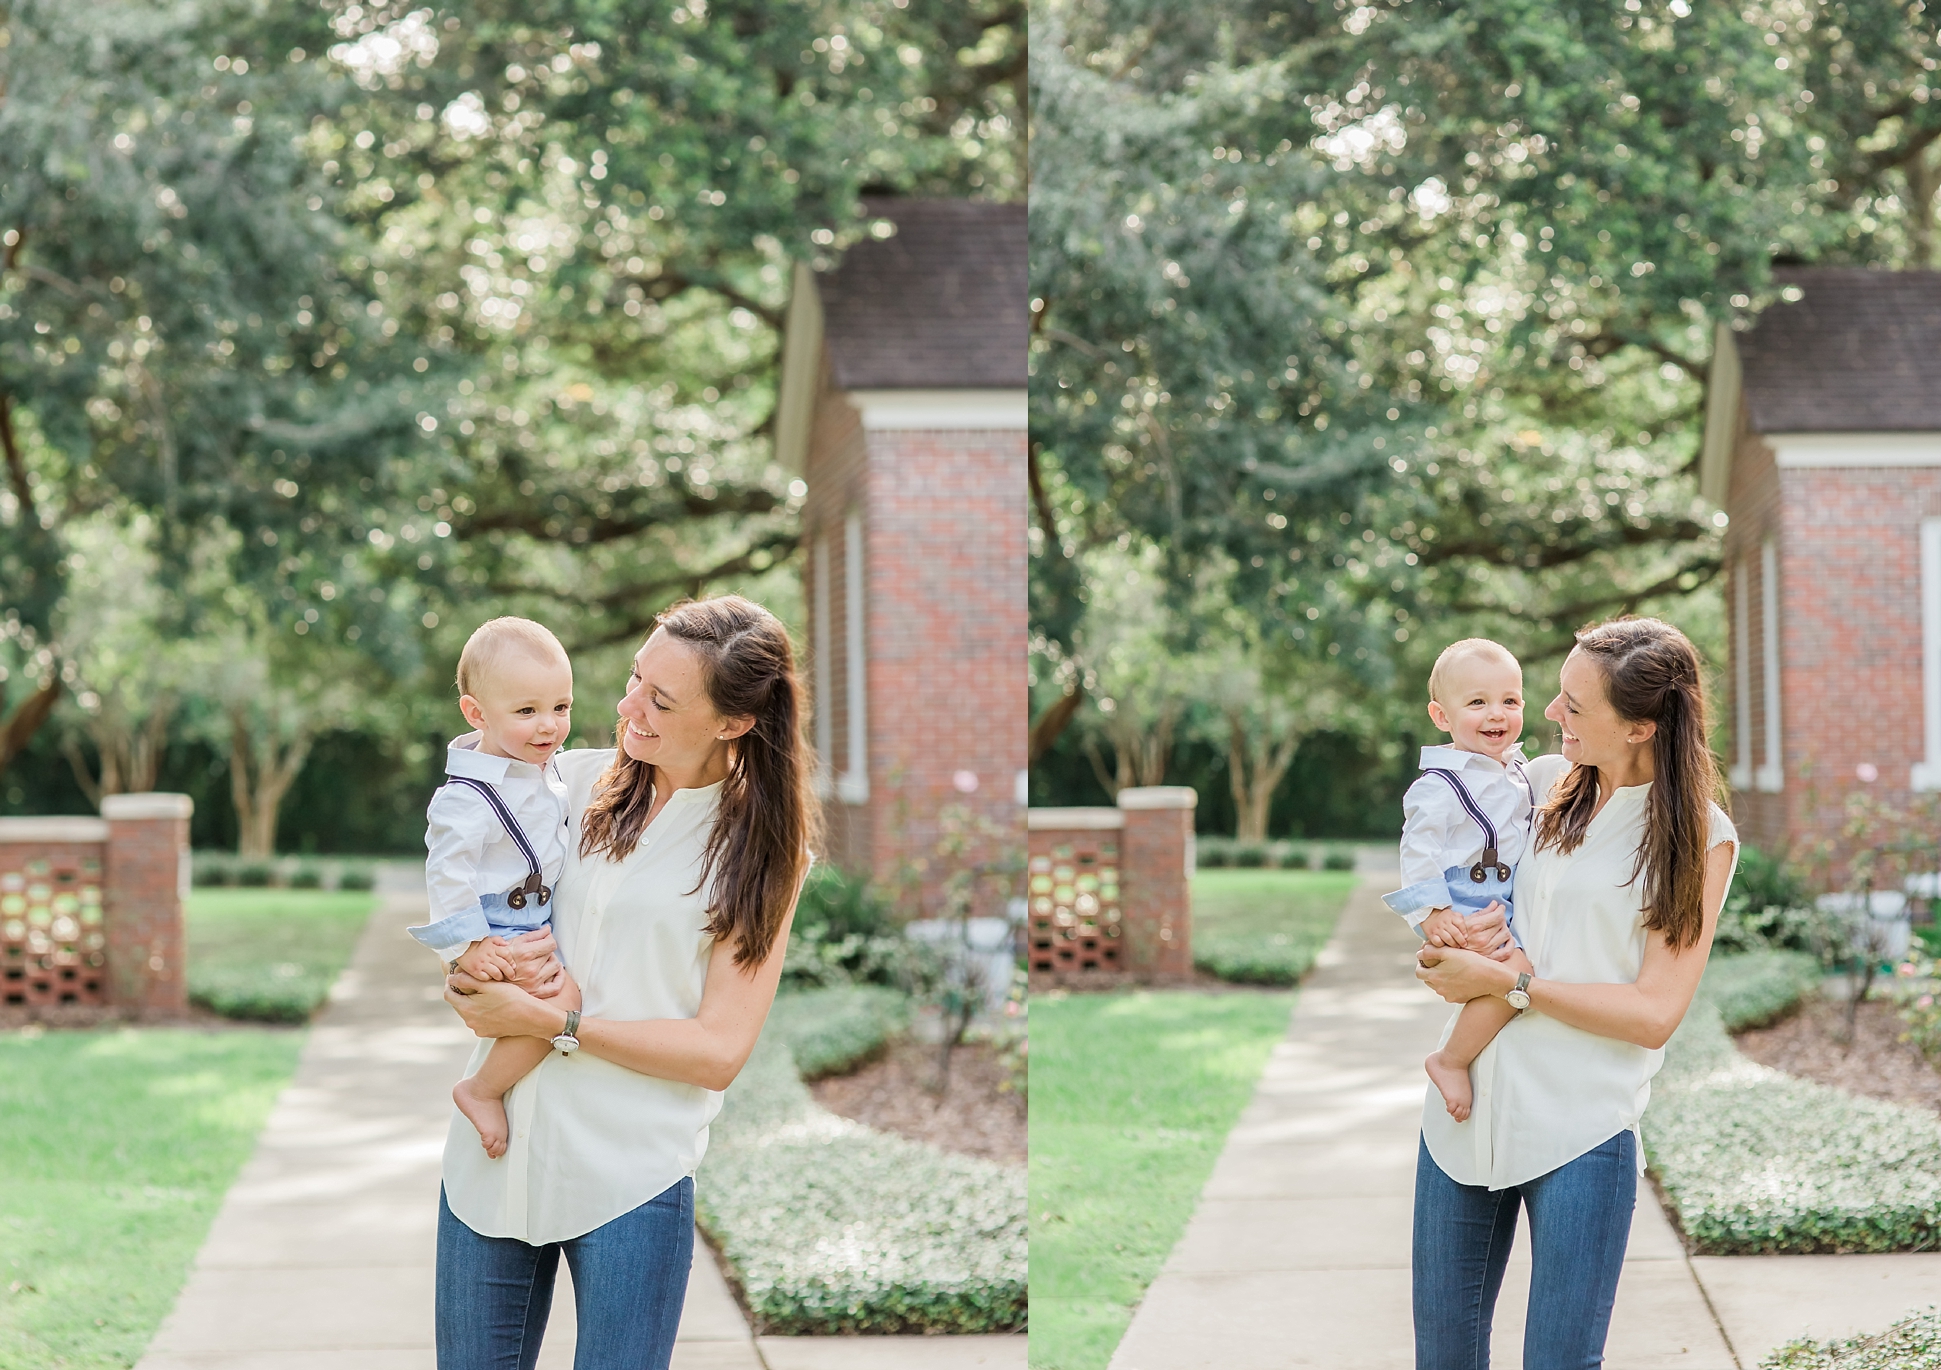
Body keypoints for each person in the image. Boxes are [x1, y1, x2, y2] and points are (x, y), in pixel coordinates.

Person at [435, 594, 814, 1370]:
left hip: (629, 1178)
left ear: (733, 723)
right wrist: (464, 970)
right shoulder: (564, 784)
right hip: (494, 1153)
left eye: (661, 700)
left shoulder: (761, 851)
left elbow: (718, 1050)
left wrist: (555, 1026)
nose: (627, 706)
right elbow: (463, 855)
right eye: (636, 679)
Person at [1412, 617, 1739, 1369]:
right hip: (1465, 1119)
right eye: (1553, 697)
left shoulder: (1697, 836)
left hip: (1579, 1132)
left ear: (1638, 727)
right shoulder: (1531, 787)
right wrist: (1442, 948)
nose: (1549, 715)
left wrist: (1513, 985)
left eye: (1573, 706)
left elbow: (1655, 1014)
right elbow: (1457, 887)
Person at [409, 616, 576, 1160]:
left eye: (561, 707)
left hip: (532, 917)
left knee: (550, 1005)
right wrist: (468, 946)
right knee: (563, 1003)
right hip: (498, 927)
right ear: (477, 713)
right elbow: (447, 871)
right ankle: (481, 1091)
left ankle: (491, 1086)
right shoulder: (466, 795)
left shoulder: (543, 770)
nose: (548, 726)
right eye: (527, 711)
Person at [1382, 638, 1536, 1123]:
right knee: (1516, 973)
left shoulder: (1518, 771)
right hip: (1463, 897)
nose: (1496, 714)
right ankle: (1450, 1060)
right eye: (1477, 703)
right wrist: (1432, 912)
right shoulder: (1439, 785)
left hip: (1500, 895)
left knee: (1506, 978)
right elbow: (1417, 849)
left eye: (1509, 701)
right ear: (1441, 716)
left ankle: (1465, 1056)